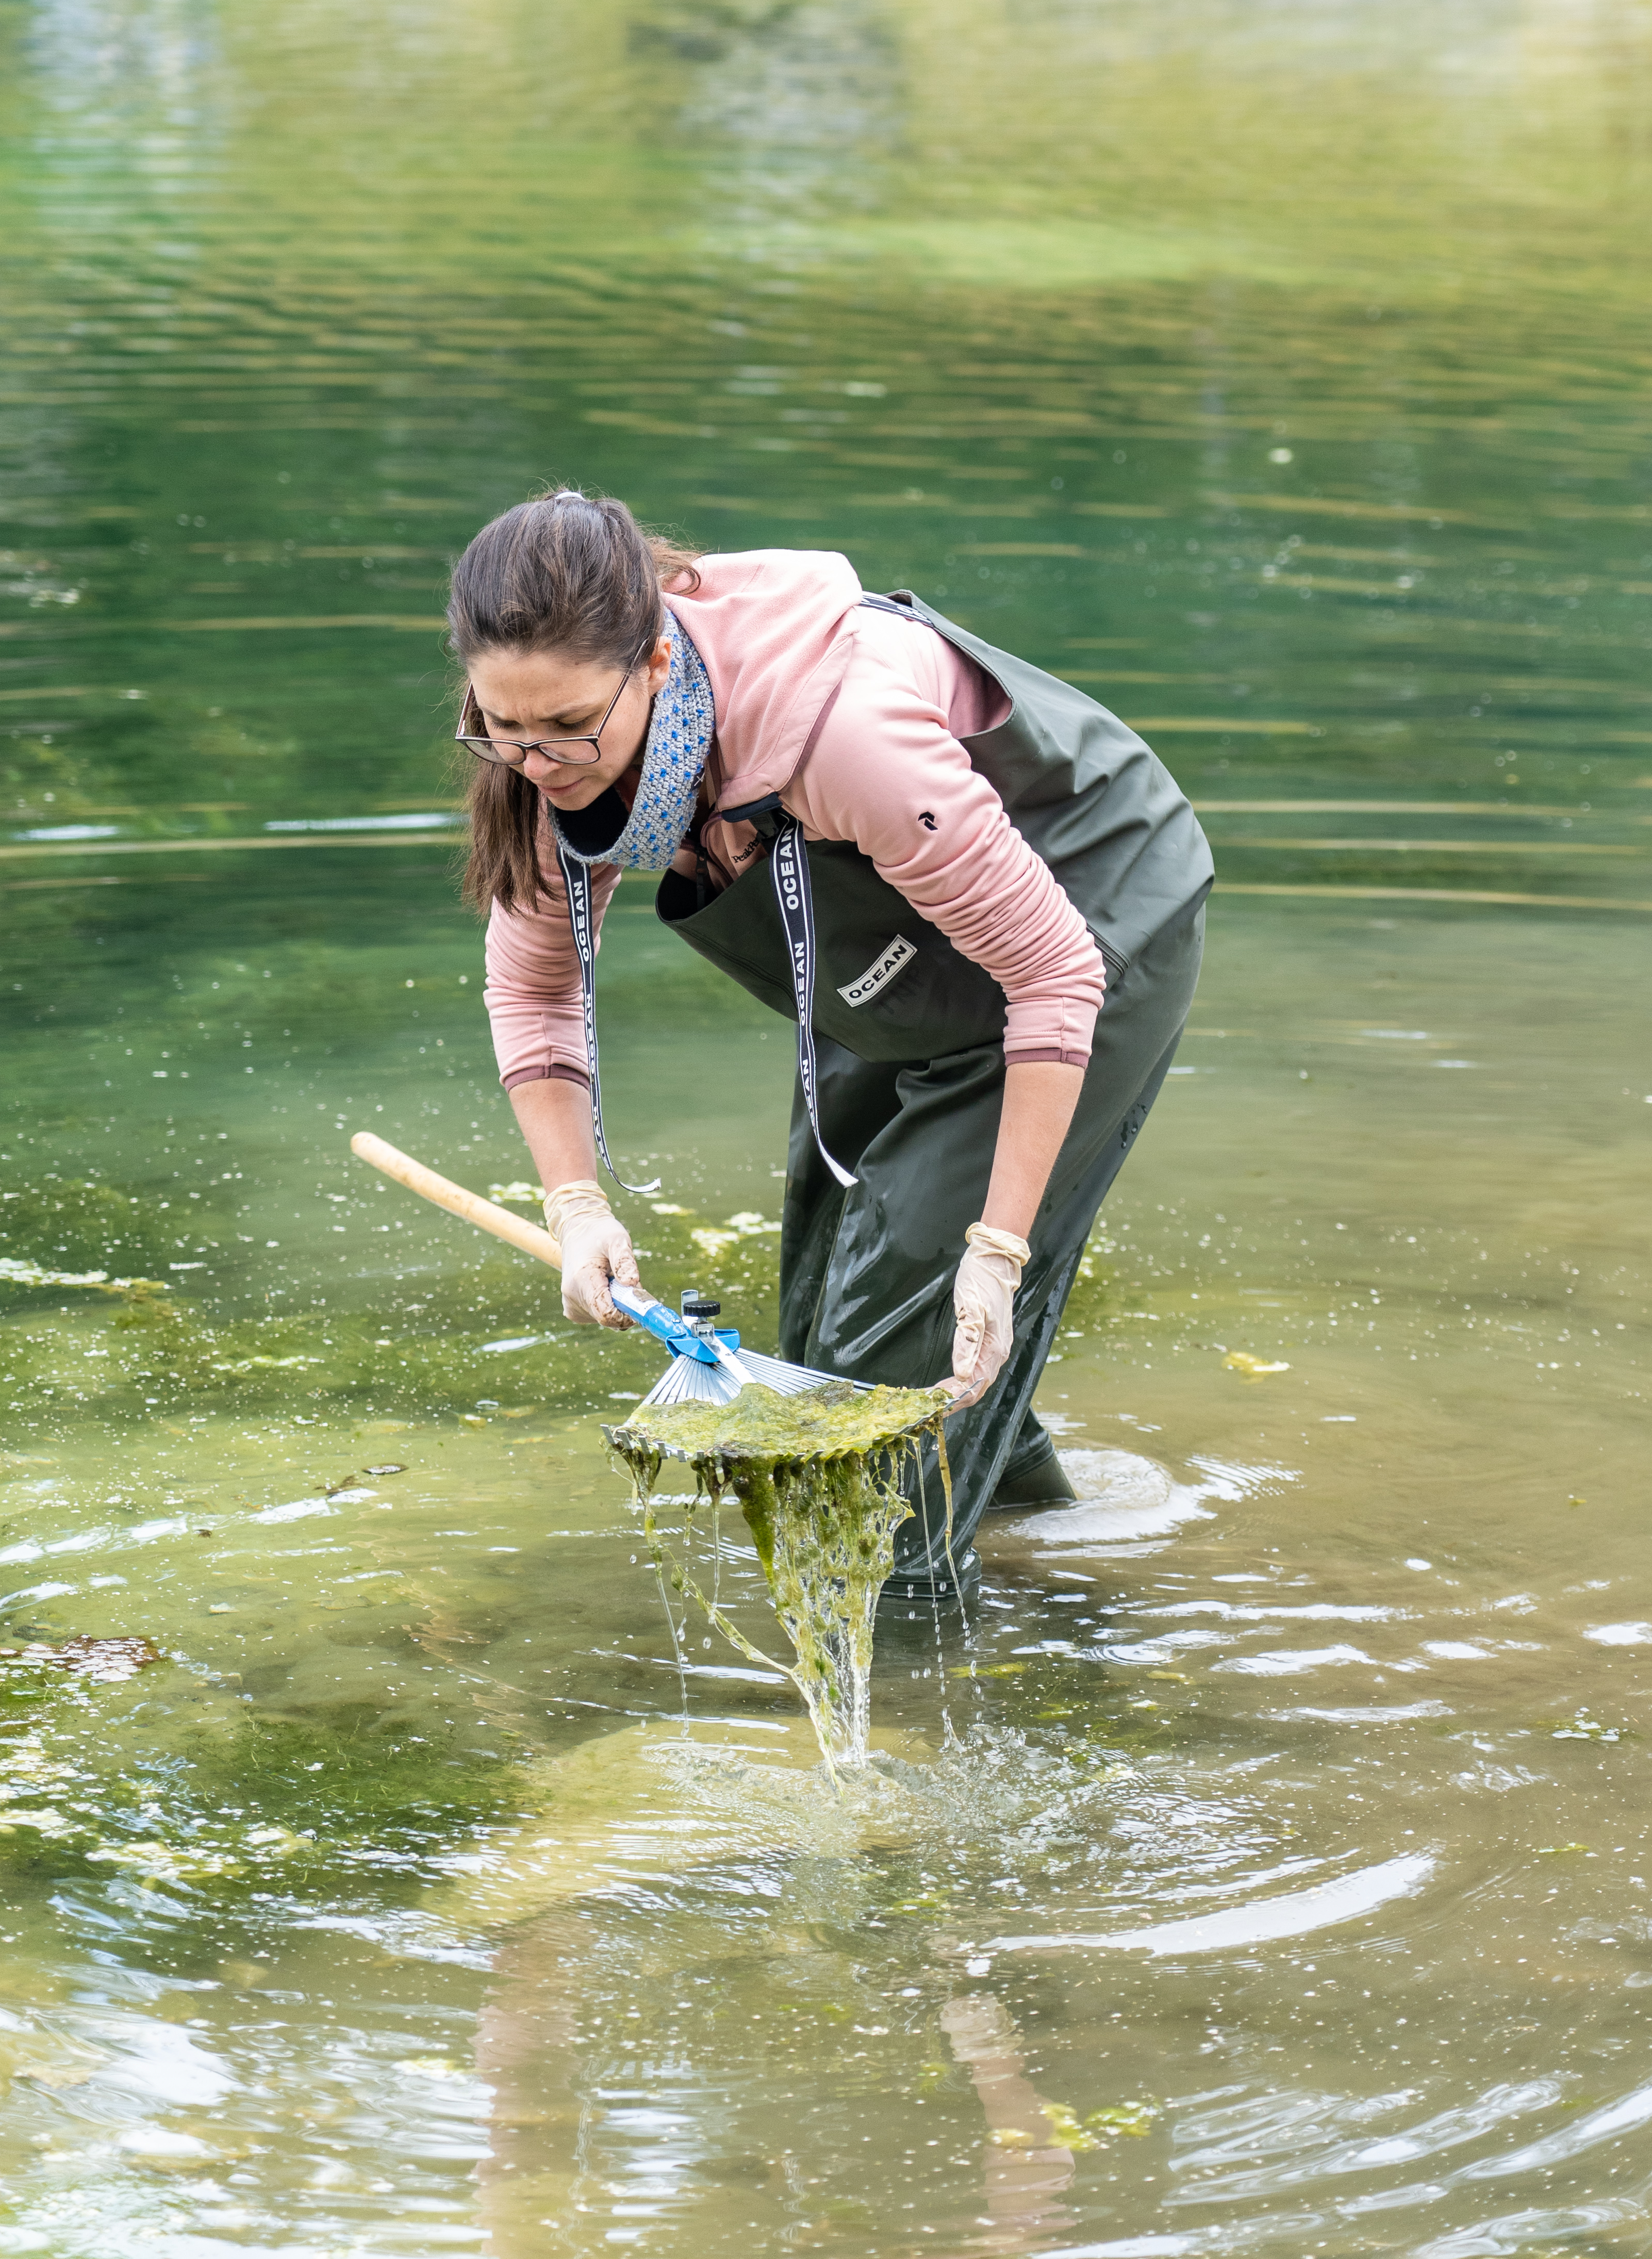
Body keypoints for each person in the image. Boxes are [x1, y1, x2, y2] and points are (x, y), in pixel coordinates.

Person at [449, 489, 1211, 1595]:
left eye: (571, 729)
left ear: (657, 661)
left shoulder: (847, 735)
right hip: (894, 953)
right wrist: (576, 1210)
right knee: (822, 1349)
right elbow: (534, 1000)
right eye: (502, 728)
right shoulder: (532, 758)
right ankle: (1046, 1574)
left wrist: (998, 1254)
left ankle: (902, 1677)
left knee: (859, 1401)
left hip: (1089, 921)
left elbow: (1051, 973)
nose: (539, 762)